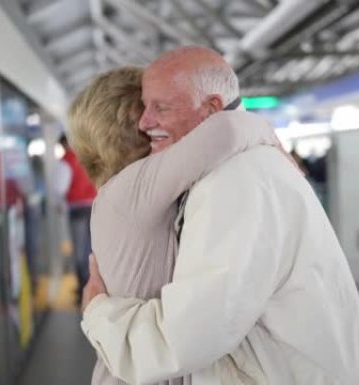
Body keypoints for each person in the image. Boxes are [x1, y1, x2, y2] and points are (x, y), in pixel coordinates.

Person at [81, 46, 359, 384]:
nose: (145, 122)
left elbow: (186, 337)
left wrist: (98, 313)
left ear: (212, 110)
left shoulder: (235, 182)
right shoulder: (235, 169)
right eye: (145, 107)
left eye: (161, 108)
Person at [68, 66, 280, 385]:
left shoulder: (117, 195)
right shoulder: (133, 188)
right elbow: (227, 132)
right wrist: (267, 136)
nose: (156, 121)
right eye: (151, 110)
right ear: (133, 126)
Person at [58, 134, 98, 302]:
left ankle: (83, 290)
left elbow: (59, 187)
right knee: (91, 248)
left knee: (80, 251)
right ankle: (94, 285)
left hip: (77, 208)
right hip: (93, 206)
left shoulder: (66, 161)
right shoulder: (87, 156)